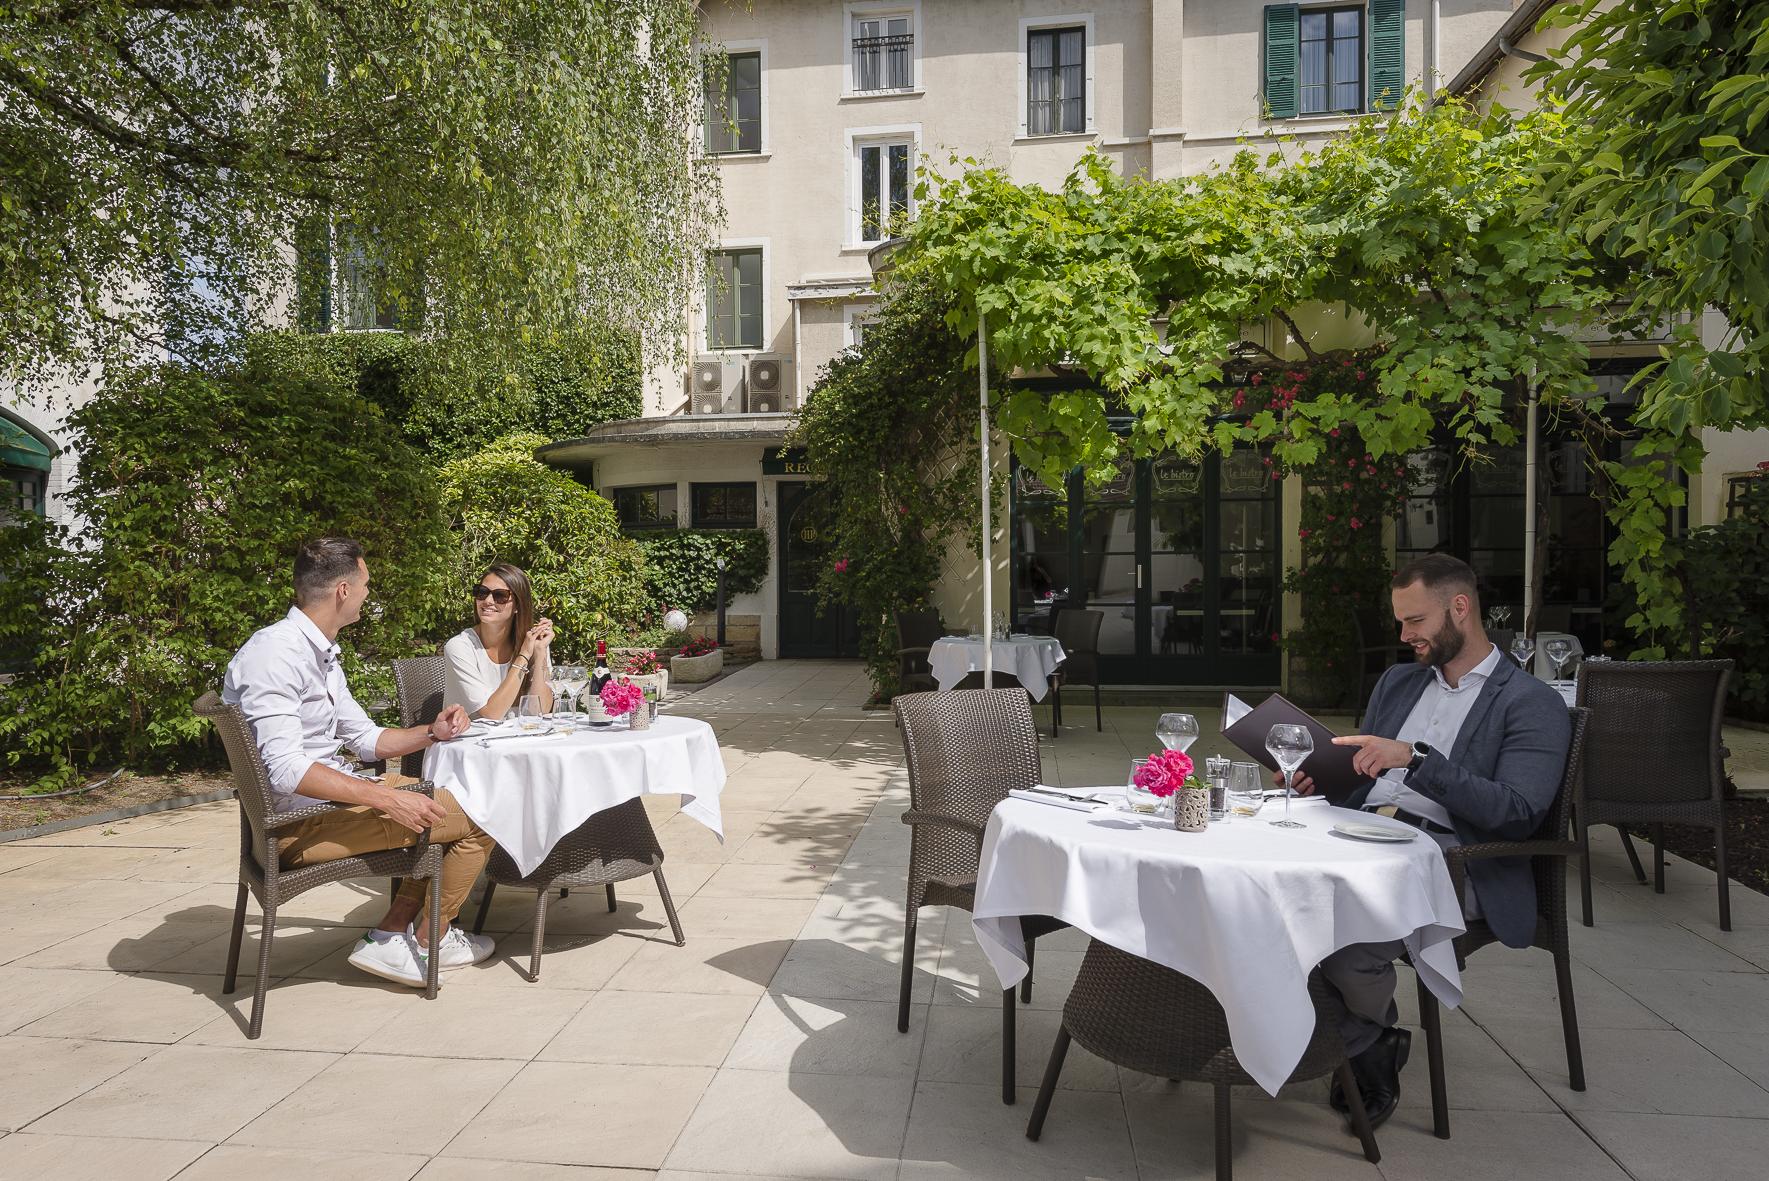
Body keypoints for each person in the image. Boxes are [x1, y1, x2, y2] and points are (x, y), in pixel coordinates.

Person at [1287, 553, 1570, 1133]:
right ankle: (1311, 1033)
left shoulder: (1530, 702)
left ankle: (1361, 1048)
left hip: (1453, 860)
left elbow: (1516, 813)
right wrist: (1319, 775)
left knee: (1344, 936)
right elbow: (1362, 770)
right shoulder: (1399, 682)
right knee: (1263, 894)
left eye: (1415, 621)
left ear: (1459, 608)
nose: (1404, 635)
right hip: (1362, 836)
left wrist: (1416, 760)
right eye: (1399, 622)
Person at [222, 538, 497, 987]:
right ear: (343, 591)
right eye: (366, 584)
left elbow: (367, 739)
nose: (370, 593)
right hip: (297, 828)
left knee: (467, 802)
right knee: (485, 815)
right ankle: (430, 938)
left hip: (327, 810)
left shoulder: (320, 652)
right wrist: (386, 800)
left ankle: (393, 933)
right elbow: (286, 769)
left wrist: (432, 732)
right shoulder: (275, 654)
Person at [442, 562, 554, 719]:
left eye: (500, 596)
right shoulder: (460, 647)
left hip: (517, 737)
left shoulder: (532, 643)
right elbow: (491, 715)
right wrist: (523, 656)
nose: (488, 601)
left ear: (518, 606)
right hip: (470, 740)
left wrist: (540, 652)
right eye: (481, 592)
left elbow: (540, 710)